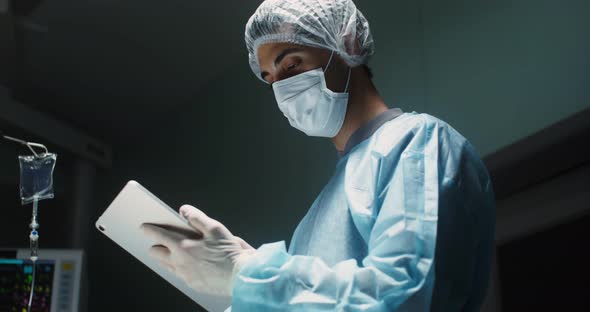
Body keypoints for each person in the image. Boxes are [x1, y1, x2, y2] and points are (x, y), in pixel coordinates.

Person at [140, 0, 496, 311]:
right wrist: (247, 290)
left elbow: (403, 298)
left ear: (347, 43)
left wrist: (247, 272)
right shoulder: (317, 218)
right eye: (270, 79)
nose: (282, 89)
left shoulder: (417, 144)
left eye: (291, 66)